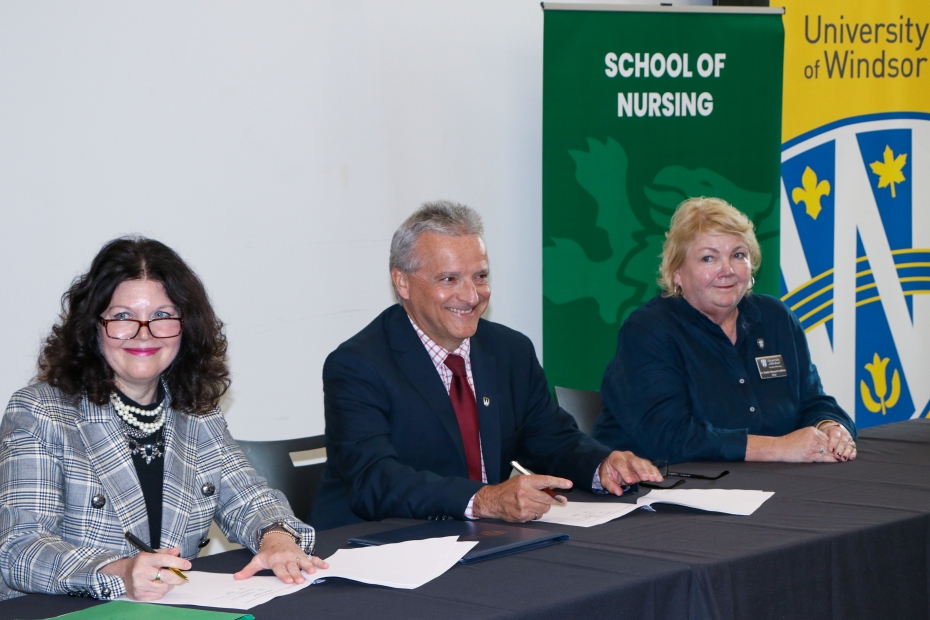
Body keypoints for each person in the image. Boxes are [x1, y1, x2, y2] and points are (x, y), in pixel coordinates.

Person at [0, 237, 327, 602]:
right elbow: (19, 548)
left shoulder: (195, 410)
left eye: (162, 315)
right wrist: (120, 571)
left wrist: (277, 539)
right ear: (93, 327)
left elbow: (250, 499)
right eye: (123, 317)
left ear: (185, 327)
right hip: (65, 610)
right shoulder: (40, 411)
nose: (144, 332)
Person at [311, 201, 662, 530]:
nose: (471, 295)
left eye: (479, 276)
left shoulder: (509, 351)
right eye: (449, 279)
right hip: (374, 547)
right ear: (402, 282)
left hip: (477, 539)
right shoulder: (358, 365)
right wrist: (482, 500)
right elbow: (374, 480)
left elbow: (551, 439)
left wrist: (602, 465)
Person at [592, 197, 857, 464]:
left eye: (738, 255)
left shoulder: (776, 318)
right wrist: (776, 448)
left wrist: (831, 428)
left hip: (767, 486)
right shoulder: (648, 330)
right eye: (709, 258)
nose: (727, 270)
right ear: (677, 273)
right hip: (661, 489)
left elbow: (812, 401)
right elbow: (668, 436)